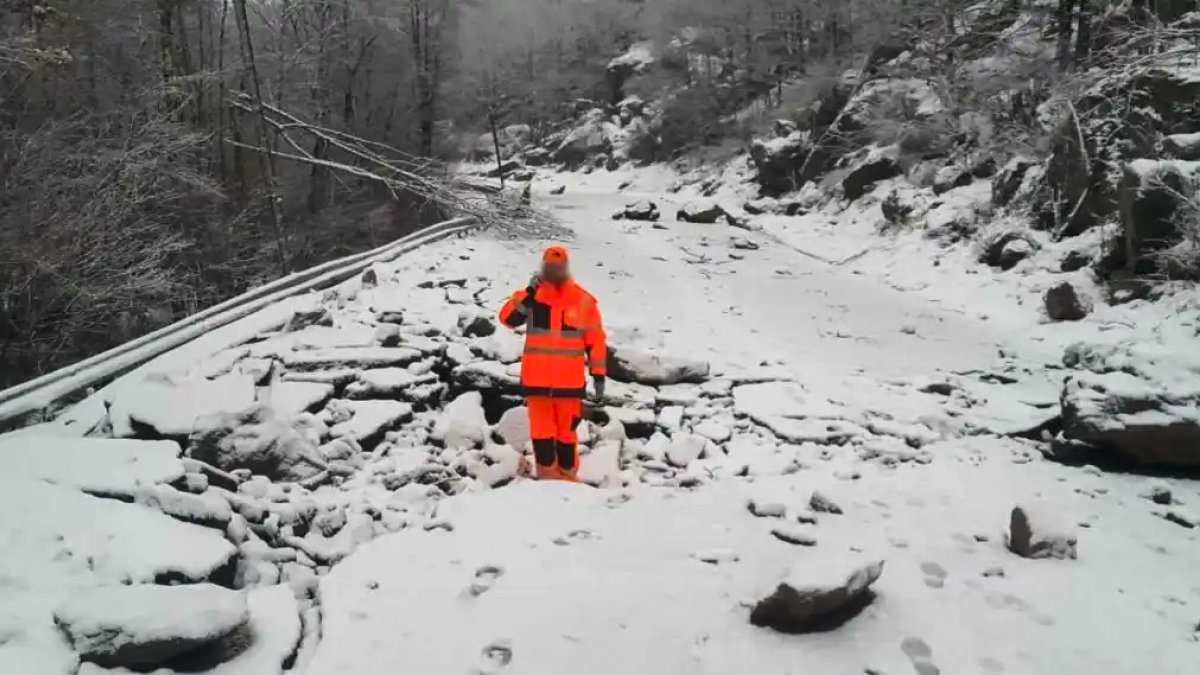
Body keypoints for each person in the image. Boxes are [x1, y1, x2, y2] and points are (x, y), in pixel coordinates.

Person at [498, 246, 606, 481]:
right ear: (543, 268)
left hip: (569, 386)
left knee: (566, 437)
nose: (555, 271)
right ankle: (548, 483)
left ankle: (568, 481)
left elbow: (596, 340)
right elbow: (507, 319)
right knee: (542, 436)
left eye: (558, 267)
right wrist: (529, 293)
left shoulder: (583, 300)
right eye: (551, 267)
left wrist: (599, 375)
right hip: (537, 383)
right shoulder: (531, 296)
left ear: (566, 268)